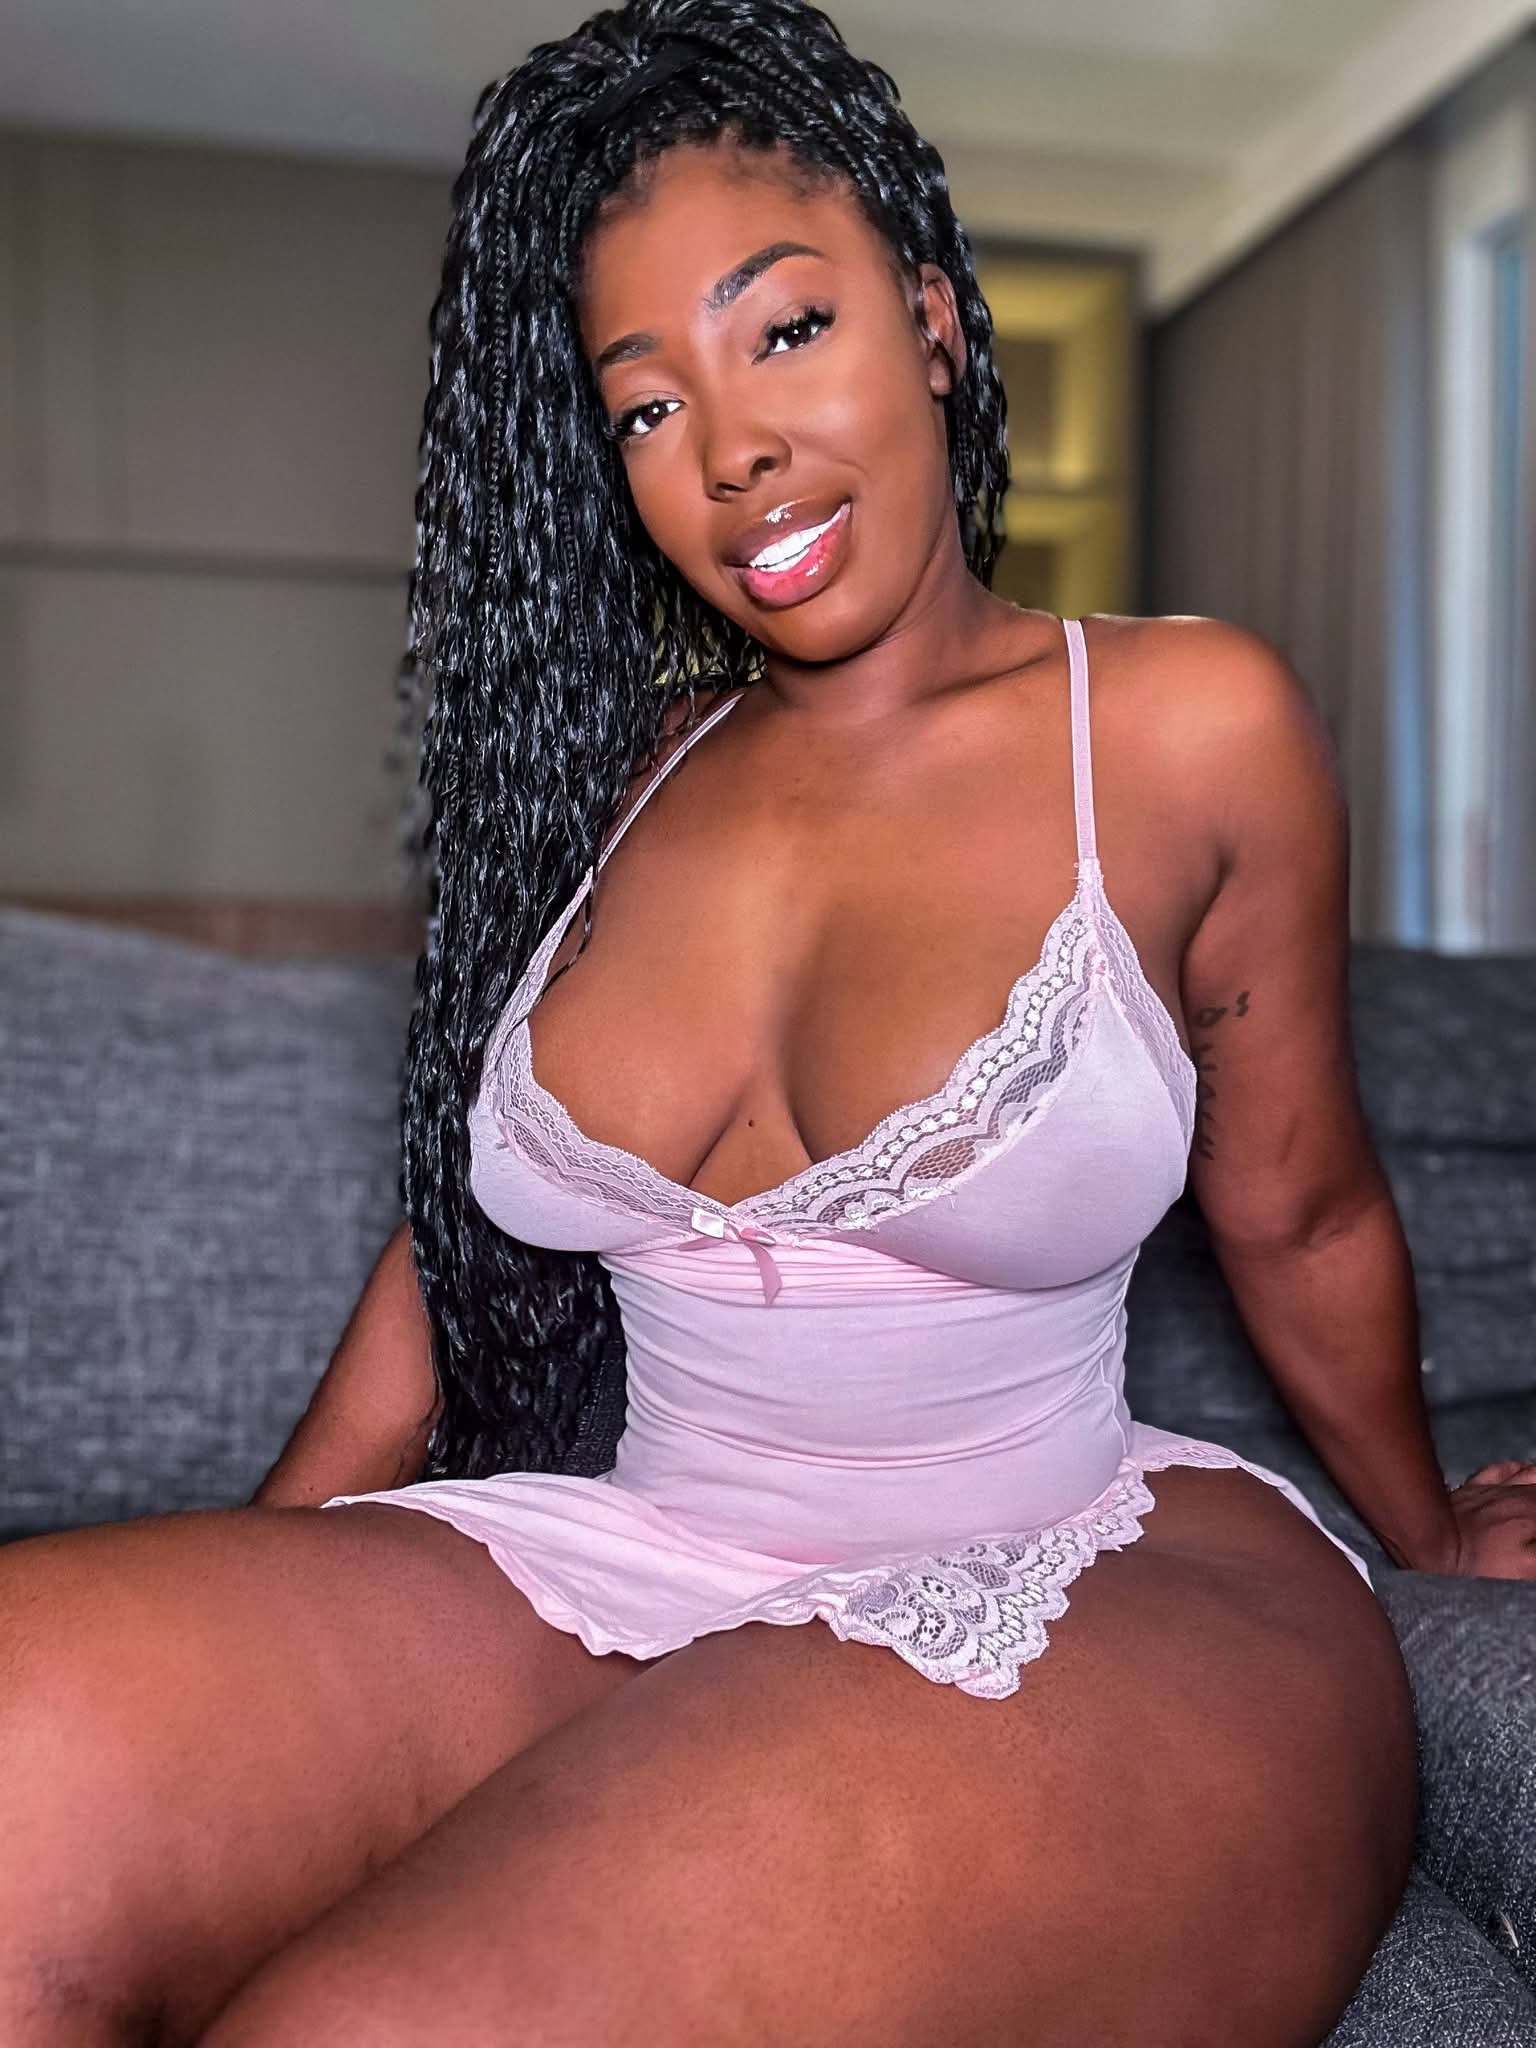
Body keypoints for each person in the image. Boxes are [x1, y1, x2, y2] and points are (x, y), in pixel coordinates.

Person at [6, 2, 1536, 2042]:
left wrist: (1429, 1529)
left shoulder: (1182, 725)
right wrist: (259, 1606)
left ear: (936, 324)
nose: (729, 452)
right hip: (641, 1554)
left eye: (787, 329)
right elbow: (439, 1265)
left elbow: (1304, 1208)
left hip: (1073, 1581)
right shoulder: (623, 778)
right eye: (648, 405)